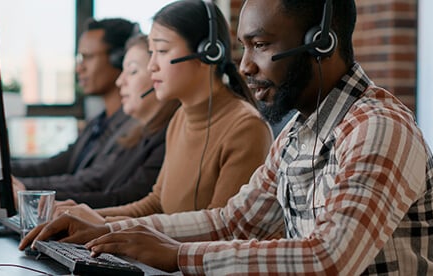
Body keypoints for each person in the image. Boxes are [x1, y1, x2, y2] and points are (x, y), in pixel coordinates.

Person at [19, 0, 433, 275]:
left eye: (260, 45)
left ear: (320, 42)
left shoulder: (377, 128)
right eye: (243, 47)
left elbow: (330, 259)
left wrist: (175, 256)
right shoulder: (298, 132)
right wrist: (112, 229)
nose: (244, 66)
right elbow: (232, 222)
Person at [51, 0, 273, 224]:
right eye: (151, 52)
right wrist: (87, 216)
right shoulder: (180, 118)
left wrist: (106, 226)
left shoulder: (246, 128)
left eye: (163, 50)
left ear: (208, 53)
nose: (151, 66)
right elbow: (156, 204)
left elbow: (219, 229)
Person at [13, 35, 180, 208]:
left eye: (132, 71)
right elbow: (95, 181)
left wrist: (30, 196)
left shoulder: (166, 136)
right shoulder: (132, 134)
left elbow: (121, 196)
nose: (120, 81)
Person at [11, 18, 138, 182]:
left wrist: (19, 190)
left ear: (118, 59)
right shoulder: (97, 124)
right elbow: (49, 167)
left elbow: (92, 184)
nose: (80, 68)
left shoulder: (134, 126)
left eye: (88, 57)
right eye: (80, 58)